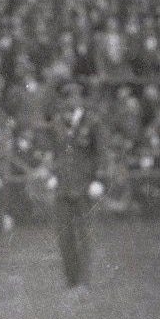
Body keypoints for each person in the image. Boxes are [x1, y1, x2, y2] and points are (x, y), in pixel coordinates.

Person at [46, 76, 105, 290]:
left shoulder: (92, 122)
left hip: (84, 185)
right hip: (63, 184)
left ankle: (83, 280)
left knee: (84, 234)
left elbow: (100, 153)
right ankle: (71, 280)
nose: (70, 102)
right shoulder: (57, 123)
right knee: (65, 235)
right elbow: (55, 152)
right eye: (66, 98)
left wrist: (98, 179)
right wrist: (53, 175)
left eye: (74, 98)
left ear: (81, 100)